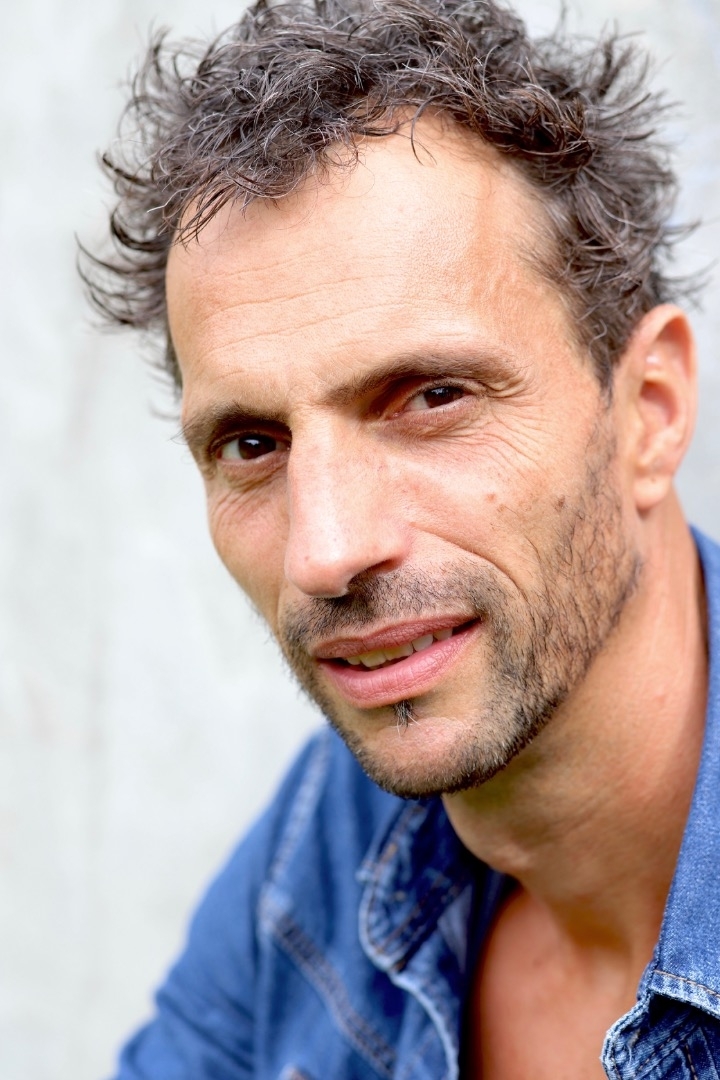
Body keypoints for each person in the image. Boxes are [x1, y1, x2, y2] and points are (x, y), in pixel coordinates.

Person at [83, 0, 720, 1075]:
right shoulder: (326, 845)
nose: (325, 551)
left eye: (431, 397)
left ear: (648, 412)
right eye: (252, 444)